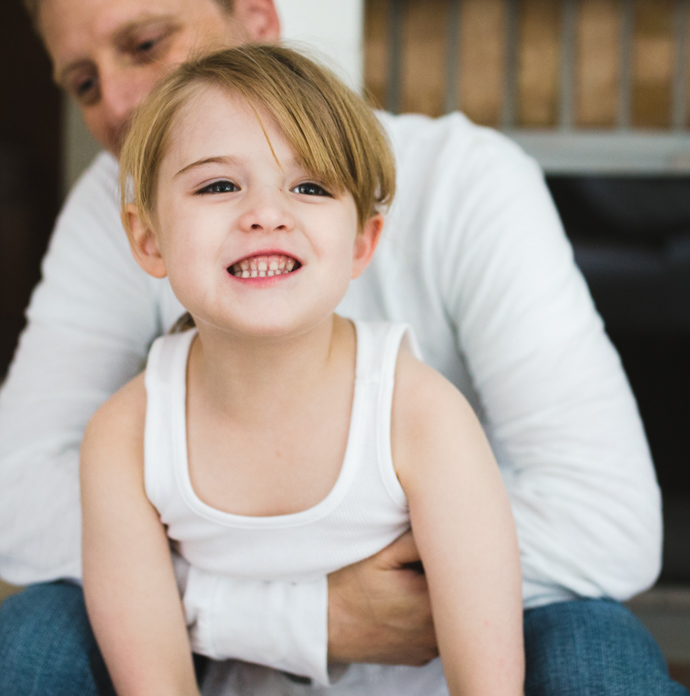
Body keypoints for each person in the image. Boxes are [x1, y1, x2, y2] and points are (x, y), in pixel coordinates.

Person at [0, 0, 684, 694]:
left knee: (598, 653)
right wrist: (307, 613)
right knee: (30, 647)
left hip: (460, 633)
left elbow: (608, 525)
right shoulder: (116, 212)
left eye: (146, 43)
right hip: (201, 657)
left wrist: (390, 594)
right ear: (147, 239)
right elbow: (13, 507)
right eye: (85, 82)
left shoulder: (466, 188)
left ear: (256, 14)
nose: (120, 104)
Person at [82, 43, 523, 696]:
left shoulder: (418, 415)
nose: (265, 213)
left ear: (361, 244)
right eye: (218, 185)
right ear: (149, 238)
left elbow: (488, 685)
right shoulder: (125, 437)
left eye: (309, 186)